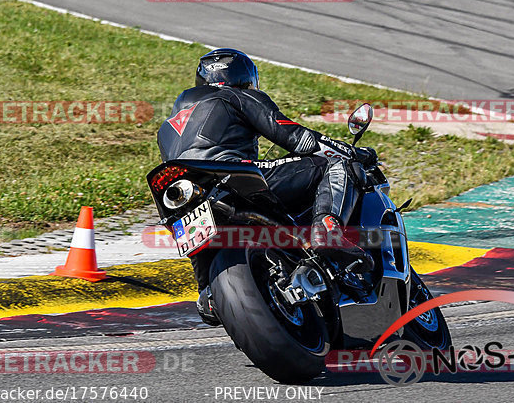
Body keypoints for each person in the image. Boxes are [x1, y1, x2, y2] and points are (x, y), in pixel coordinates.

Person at [157, 48, 376, 325]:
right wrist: (348, 151)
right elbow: (297, 138)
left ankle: (208, 292)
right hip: (231, 175)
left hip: (183, 192)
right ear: (245, 78)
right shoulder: (237, 95)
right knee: (336, 165)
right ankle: (327, 228)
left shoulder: (166, 128)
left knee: (197, 228)